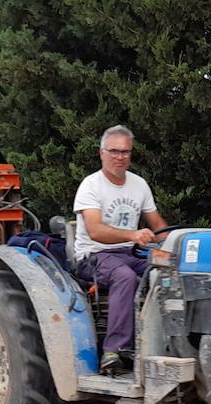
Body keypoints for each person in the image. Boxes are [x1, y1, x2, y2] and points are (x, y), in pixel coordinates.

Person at [72, 125, 168, 373]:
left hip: (130, 253)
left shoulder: (139, 184)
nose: (120, 157)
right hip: (94, 255)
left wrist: (180, 242)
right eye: (114, 151)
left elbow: (158, 225)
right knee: (125, 277)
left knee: (167, 271)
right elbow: (95, 231)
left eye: (125, 152)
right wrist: (133, 235)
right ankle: (114, 350)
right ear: (102, 153)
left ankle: (166, 344)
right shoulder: (91, 185)